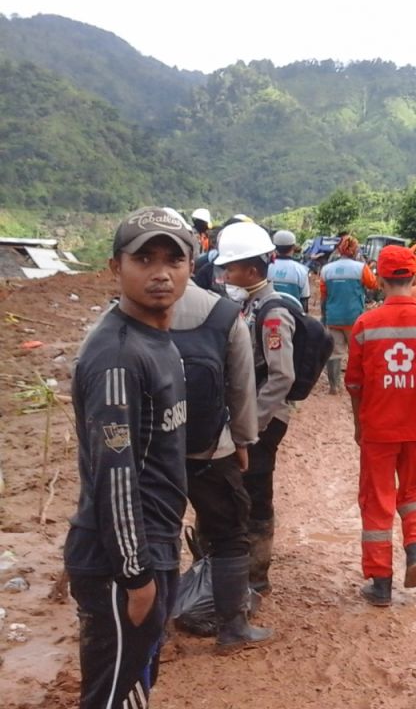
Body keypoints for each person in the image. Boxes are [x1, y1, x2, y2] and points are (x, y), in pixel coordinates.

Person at [66, 207, 193, 709]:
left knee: (136, 682)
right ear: (116, 267)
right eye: (144, 259)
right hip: (121, 559)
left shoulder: (159, 340)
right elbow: (113, 475)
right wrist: (135, 575)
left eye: (172, 259)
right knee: (113, 694)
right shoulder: (117, 354)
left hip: (152, 545)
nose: (160, 272)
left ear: (190, 267)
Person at [346, 246, 416, 606]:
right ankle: (415, 552)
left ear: (379, 280)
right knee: (414, 494)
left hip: (378, 428)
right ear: (415, 278)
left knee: (377, 503)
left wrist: (358, 424)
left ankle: (380, 585)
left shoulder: (365, 325)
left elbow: (355, 383)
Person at [170, 278, 273, 650]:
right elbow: (241, 387)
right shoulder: (225, 315)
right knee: (230, 532)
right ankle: (233, 629)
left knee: (158, 536)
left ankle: (153, 630)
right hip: (211, 449)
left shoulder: (125, 314)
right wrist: (243, 439)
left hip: (151, 453)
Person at [215, 222, 298, 594]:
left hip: (266, 418)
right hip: (251, 416)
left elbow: (281, 376)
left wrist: (251, 425)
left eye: (230, 268)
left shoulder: (273, 312)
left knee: (256, 492)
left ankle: (257, 575)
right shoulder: (251, 304)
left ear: (250, 270)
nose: (225, 274)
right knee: (242, 488)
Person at [319, 235, 378, 394]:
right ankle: (357, 386)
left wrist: (324, 316)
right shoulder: (361, 268)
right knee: (357, 353)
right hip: (354, 319)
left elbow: (323, 295)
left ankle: (334, 387)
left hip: (333, 317)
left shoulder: (326, 270)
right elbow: (373, 284)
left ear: (339, 250)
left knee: (334, 353)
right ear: (355, 250)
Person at [268, 230, 311, 313]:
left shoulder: (266, 267)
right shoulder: (302, 270)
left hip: (268, 314)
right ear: (293, 247)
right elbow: (304, 299)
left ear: (274, 246)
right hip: (293, 317)